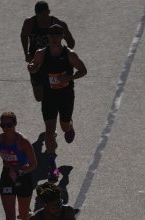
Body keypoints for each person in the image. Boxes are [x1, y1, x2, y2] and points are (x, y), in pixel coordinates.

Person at [27, 24, 87, 180]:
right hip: (49, 96)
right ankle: (52, 164)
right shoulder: (41, 53)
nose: (54, 37)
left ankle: (69, 126)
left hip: (66, 95)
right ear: (48, 36)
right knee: (49, 130)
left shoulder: (70, 54)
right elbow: (34, 67)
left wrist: (69, 77)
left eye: (57, 34)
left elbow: (83, 70)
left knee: (64, 126)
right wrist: (32, 67)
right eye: (51, 34)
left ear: (62, 37)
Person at [21, 1, 75, 103]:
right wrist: (26, 52)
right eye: (38, 17)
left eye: (43, 17)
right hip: (36, 62)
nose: (41, 20)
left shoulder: (58, 24)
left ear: (48, 12)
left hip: (53, 61)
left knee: (55, 91)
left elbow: (71, 42)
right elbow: (23, 35)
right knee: (39, 97)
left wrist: (63, 55)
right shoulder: (30, 23)